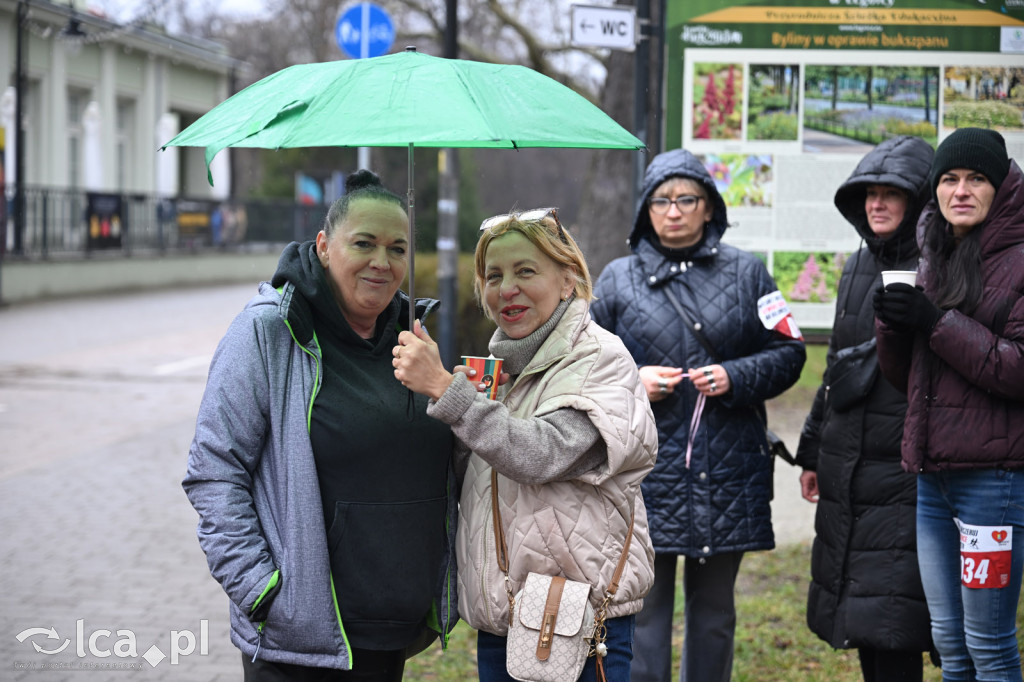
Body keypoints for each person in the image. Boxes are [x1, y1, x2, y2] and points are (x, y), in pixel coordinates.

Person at [182, 170, 458, 681]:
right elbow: (214, 470)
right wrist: (261, 590)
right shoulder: (269, 331)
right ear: (325, 246)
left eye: (398, 248)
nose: (383, 261)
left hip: (391, 632)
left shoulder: (412, 343)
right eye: (364, 243)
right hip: (299, 643)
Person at [392, 207, 657, 681]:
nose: (505, 288)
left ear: (569, 279)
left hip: (575, 623)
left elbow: (543, 452)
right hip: (505, 619)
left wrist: (449, 395)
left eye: (525, 271)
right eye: (493, 275)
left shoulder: (600, 359)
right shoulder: (504, 369)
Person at [590, 148, 806, 682]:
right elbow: (585, 363)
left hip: (727, 473)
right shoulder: (617, 280)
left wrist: (736, 377)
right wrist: (632, 381)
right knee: (643, 611)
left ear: (709, 207)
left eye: (688, 198)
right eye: (662, 199)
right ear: (646, 209)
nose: (675, 210)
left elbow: (790, 352)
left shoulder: (748, 273)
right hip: (644, 476)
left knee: (714, 616)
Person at [874, 127, 1024, 681]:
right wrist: (891, 324)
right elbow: (903, 378)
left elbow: (1018, 369)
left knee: (988, 644)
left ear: (1001, 186)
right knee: (950, 644)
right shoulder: (931, 253)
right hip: (933, 482)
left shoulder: (1021, 258)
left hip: (994, 483)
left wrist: (936, 323)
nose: (960, 190)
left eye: (976, 179)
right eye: (949, 179)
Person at [795, 135, 935, 682]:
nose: (876, 204)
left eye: (891, 194)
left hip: (904, 465)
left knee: (894, 617)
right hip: (850, 463)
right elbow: (835, 366)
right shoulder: (857, 264)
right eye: (869, 194)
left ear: (918, 200)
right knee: (863, 613)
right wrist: (810, 451)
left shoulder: (939, 265)